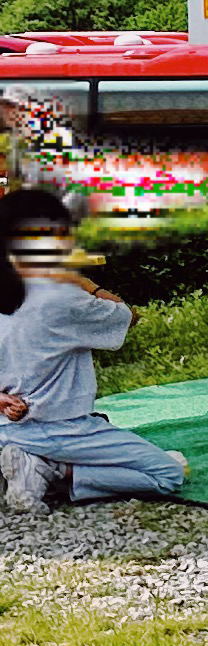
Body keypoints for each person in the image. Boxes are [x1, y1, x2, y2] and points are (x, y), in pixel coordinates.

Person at [0, 190, 188, 508]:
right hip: (60, 428)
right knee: (168, 473)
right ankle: (53, 468)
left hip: (7, 426)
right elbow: (128, 317)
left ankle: (35, 465)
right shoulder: (61, 297)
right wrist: (84, 282)